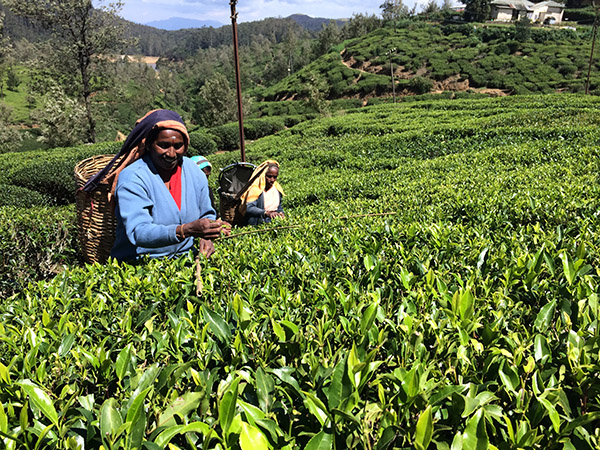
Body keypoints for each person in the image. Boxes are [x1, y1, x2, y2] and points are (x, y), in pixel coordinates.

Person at [110, 109, 230, 262]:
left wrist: (207, 236)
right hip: (140, 263)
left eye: (178, 146)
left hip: (186, 259)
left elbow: (207, 213)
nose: (171, 153)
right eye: (163, 145)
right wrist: (185, 230)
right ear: (148, 145)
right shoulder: (133, 177)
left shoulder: (193, 170)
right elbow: (138, 231)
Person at [241, 160, 285, 226]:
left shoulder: (277, 189)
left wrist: (281, 213)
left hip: (273, 223)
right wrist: (266, 213)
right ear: (263, 175)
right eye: (269, 176)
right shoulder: (256, 189)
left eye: (275, 177)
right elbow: (249, 208)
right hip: (257, 224)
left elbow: (279, 207)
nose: (272, 180)